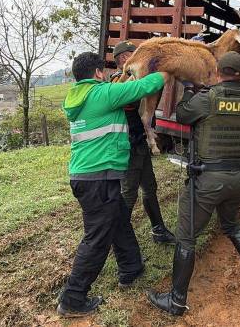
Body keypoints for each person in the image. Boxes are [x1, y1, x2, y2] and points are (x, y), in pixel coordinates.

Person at [147, 20, 240, 316]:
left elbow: (181, 115)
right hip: (237, 179)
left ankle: (176, 300)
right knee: (231, 225)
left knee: (187, 236)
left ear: (216, 73)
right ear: (239, 75)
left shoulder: (208, 98)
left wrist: (191, 88)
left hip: (208, 180)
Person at [56, 52, 169, 318]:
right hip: (99, 177)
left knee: (118, 219)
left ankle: (131, 267)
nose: (105, 74)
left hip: (87, 175)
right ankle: (73, 298)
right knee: (96, 239)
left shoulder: (77, 97)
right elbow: (146, 86)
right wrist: (167, 69)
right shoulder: (103, 93)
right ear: (97, 72)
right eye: (103, 71)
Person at [109, 40, 176, 244]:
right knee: (128, 194)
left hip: (139, 144)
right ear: (124, 59)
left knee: (150, 187)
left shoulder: (138, 78)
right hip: (127, 147)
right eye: (136, 54)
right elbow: (140, 91)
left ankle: (159, 230)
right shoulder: (117, 83)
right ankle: (118, 240)